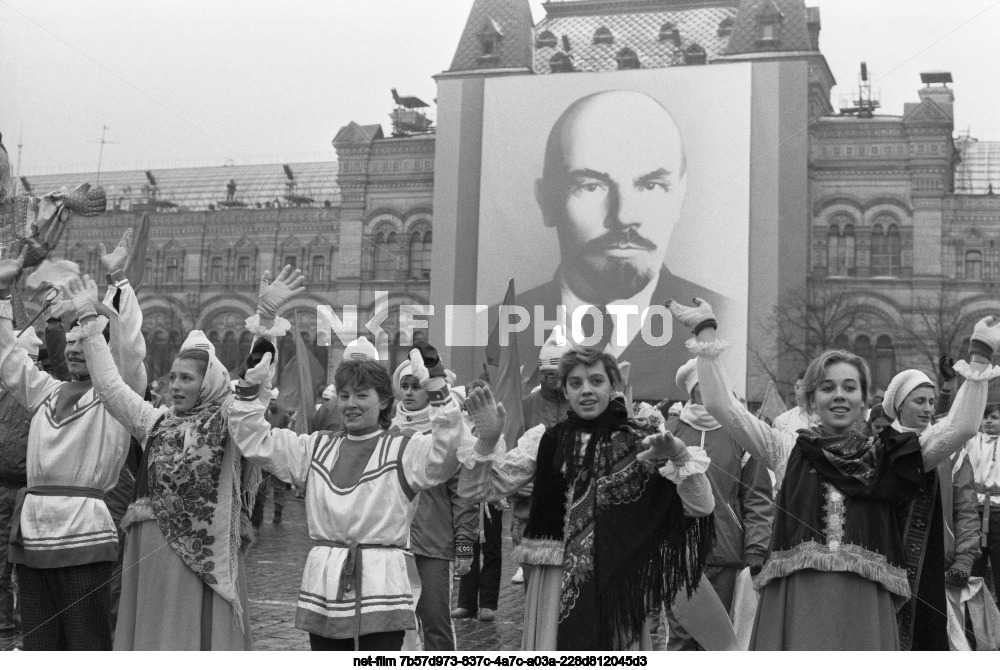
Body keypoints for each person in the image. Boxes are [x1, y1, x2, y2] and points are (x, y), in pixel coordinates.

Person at [667, 297, 1000, 650]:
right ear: (811, 400)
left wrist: (981, 352)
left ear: (864, 399)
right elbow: (722, 406)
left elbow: (961, 427)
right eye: (827, 388)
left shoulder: (889, 457)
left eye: (849, 387)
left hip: (865, 600)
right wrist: (706, 332)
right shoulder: (786, 448)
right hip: (799, 597)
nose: (839, 396)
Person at [228, 268, 500, 650]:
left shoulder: (403, 448)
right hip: (324, 583)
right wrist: (266, 329)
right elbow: (253, 437)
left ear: (383, 401)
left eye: (362, 396)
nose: (351, 404)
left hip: (382, 585)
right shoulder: (316, 447)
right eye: (345, 395)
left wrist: (438, 388)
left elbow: (446, 455)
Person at [459, 346, 715, 650]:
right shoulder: (546, 440)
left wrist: (679, 455)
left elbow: (700, 507)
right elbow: (478, 491)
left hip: (618, 579)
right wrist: (487, 440)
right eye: (576, 383)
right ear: (565, 390)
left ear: (613, 385)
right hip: (555, 581)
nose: (586, 391)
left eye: (596, 381)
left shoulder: (641, 440)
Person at [499, 90, 737, 400]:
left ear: (680, 196)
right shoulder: (492, 331)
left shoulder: (730, 321)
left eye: (651, 185)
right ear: (547, 202)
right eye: (590, 185)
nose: (624, 217)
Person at [0, 238, 144, 651]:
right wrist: (1, 295)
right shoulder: (45, 390)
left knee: (84, 642)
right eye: (74, 342)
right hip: (34, 533)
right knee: (40, 643)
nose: (79, 349)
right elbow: (9, 358)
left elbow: (130, 349)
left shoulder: (116, 399)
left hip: (84, 535)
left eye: (89, 342)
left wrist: (118, 283)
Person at [664, 358, 773, 650]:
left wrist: (756, 547)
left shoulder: (743, 432)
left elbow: (758, 496)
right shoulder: (670, 431)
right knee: (682, 637)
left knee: (721, 641)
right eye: (705, 385)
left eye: (717, 383)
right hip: (678, 553)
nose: (714, 391)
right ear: (692, 391)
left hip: (726, 553)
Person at [390, 357, 477, 650]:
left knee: (436, 623)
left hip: (433, 547)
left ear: (430, 390)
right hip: (389, 546)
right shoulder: (387, 435)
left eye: (417, 386)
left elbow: (464, 495)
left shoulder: (448, 436)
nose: (410, 392)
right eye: (405, 386)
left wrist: (464, 549)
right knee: (394, 628)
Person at [511, 327, 572, 586]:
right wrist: (516, 487)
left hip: (572, 512)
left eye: (557, 375)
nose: (552, 379)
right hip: (530, 513)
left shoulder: (582, 404)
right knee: (534, 585)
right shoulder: (524, 405)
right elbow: (508, 457)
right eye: (547, 374)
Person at [0, 327, 40, 650]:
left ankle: (26, 637)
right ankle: (5, 635)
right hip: (3, 491)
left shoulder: (39, 392)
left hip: (26, 494)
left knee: (24, 572)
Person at [963, 404, 1000, 599]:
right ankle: (972, 623)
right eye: (985, 417)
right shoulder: (973, 440)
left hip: (998, 512)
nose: (988, 421)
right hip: (974, 510)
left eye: (994, 417)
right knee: (974, 568)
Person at [453, 500, 503, 623]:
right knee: (466, 542)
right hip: (468, 495)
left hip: (492, 493)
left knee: (492, 547)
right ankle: (466, 602)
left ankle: (488, 603)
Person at [252, 389, 291, 529]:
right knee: (261, 486)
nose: (272, 402)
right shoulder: (264, 414)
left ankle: (278, 512)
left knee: (279, 487)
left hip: (279, 456)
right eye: (271, 400)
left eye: (274, 400)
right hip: (264, 455)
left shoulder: (285, 416)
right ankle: (258, 518)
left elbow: (288, 434)